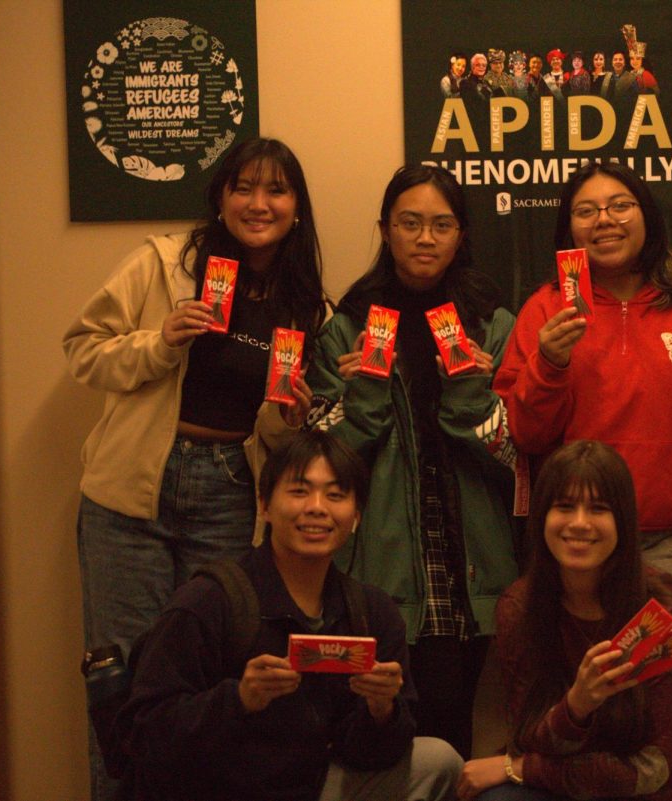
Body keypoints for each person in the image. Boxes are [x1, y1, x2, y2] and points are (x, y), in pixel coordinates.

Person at [64, 137, 325, 801]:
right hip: (134, 488)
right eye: (243, 187)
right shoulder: (164, 262)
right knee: (119, 675)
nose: (258, 203)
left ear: (297, 207)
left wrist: (289, 416)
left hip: (230, 490)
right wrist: (160, 341)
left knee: (209, 673)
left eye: (276, 190)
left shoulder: (301, 303)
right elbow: (82, 351)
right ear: (220, 197)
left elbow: (270, 429)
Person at [120, 431, 463, 801]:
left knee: (439, 760)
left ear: (357, 515)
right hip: (215, 789)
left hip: (310, 786)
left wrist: (381, 710)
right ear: (264, 505)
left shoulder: (371, 612)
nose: (317, 507)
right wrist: (239, 699)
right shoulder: (209, 601)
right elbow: (144, 739)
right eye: (299, 491)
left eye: (336, 495)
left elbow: (368, 755)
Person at [306, 164, 518, 759]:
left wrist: (474, 388)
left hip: (466, 569)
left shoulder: (493, 323)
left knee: (450, 740)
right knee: (373, 736)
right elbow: (328, 462)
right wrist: (365, 395)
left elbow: (515, 456)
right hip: (378, 571)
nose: (426, 238)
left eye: (441, 225)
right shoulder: (346, 325)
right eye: (410, 223)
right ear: (385, 230)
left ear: (461, 235)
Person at [493, 162, 672, 610]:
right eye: (586, 211)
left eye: (620, 206)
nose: (604, 220)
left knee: (667, 679)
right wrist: (549, 364)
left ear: (646, 215)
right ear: (569, 229)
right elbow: (526, 437)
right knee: (582, 677)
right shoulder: (546, 309)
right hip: (576, 540)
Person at [456, 440, 672, 801]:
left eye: (598, 509)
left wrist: (523, 767)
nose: (579, 523)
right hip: (581, 775)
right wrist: (577, 704)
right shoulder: (519, 607)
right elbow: (531, 736)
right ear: (542, 516)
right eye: (564, 506)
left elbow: (650, 773)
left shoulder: (667, 612)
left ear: (622, 522)